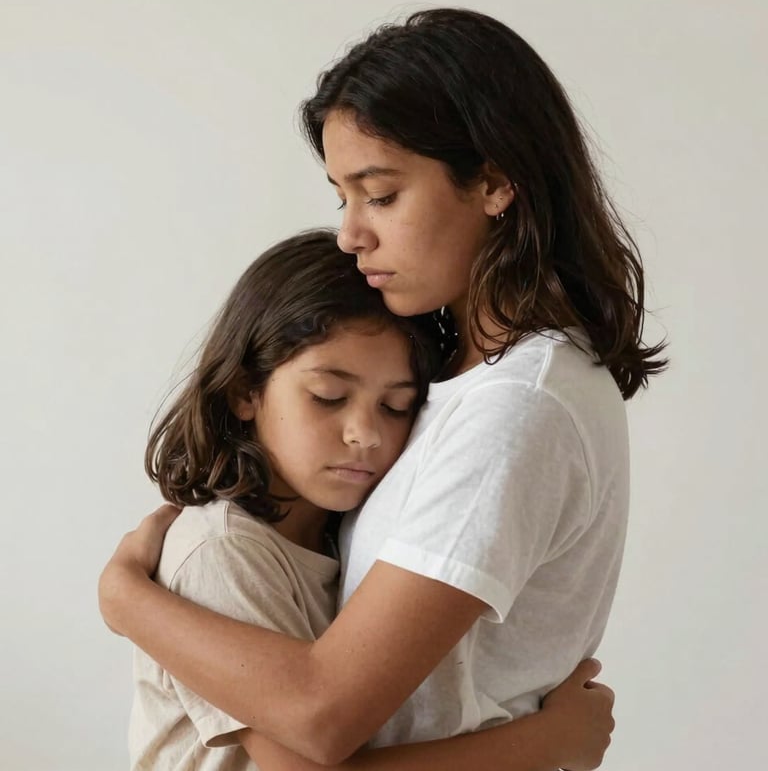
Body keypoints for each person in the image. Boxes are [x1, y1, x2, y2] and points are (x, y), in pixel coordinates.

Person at [101, 7, 665, 767]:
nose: (351, 233)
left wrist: (125, 599)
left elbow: (323, 712)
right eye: (343, 196)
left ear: (495, 181)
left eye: (382, 194)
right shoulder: (460, 379)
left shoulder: (518, 406)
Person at [128, 228, 614, 771]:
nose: (365, 433)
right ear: (246, 391)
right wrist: (550, 741)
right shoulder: (221, 551)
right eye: (328, 397)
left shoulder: (336, 538)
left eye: (396, 406)